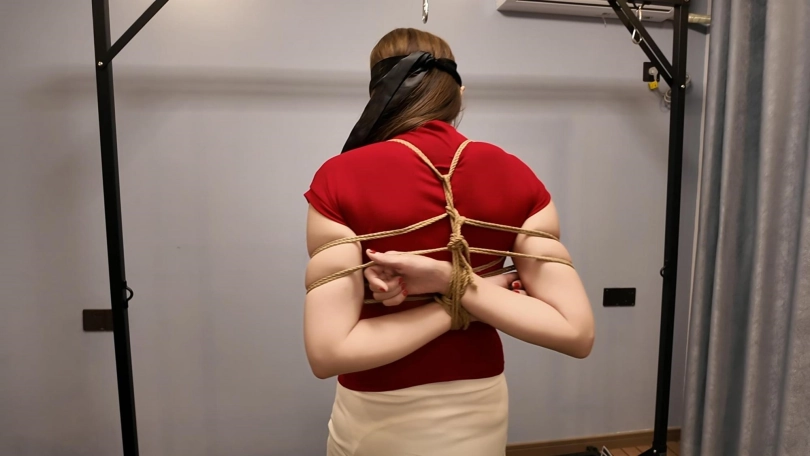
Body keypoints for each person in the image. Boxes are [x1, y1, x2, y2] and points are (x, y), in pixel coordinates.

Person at [303, 28, 594, 456]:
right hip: (479, 400)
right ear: (459, 94)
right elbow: (576, 332)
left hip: (376, 408)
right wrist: (470, 291)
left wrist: (445, 279)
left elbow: (328, 353)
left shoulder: (339, 177)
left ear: (377, 93)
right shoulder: (516, 174)